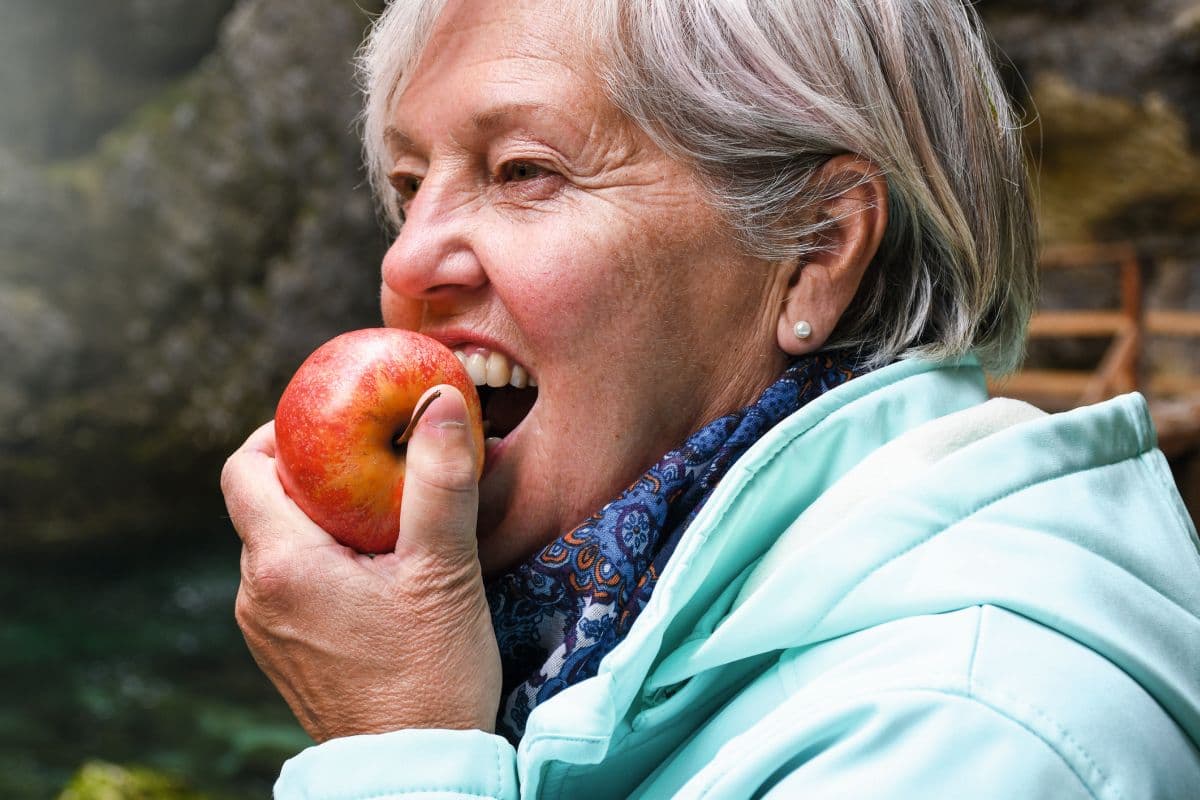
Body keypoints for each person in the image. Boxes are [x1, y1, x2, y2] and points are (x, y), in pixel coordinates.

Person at [220, 0, 1200, 796]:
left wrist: (399, 740)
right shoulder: (599, 634)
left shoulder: (969, 734)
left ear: (814, 250)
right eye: (407, 182)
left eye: (523, 172)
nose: (406, 257)